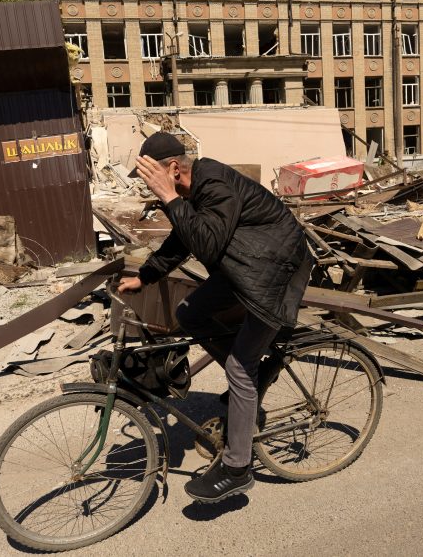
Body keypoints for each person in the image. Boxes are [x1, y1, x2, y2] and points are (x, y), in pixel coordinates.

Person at [118, 132, 313, 504]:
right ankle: (252, 378)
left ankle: (237, 469)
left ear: (173, 169)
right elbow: (184, 239)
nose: (147, 183)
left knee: (240, 368)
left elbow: (206, 243)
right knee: (190, 313)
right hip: (247, 267)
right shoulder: (194, 192)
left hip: (275, 273)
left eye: (150, 175)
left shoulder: (215, 184)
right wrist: (144, 276)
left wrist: (170, 198)